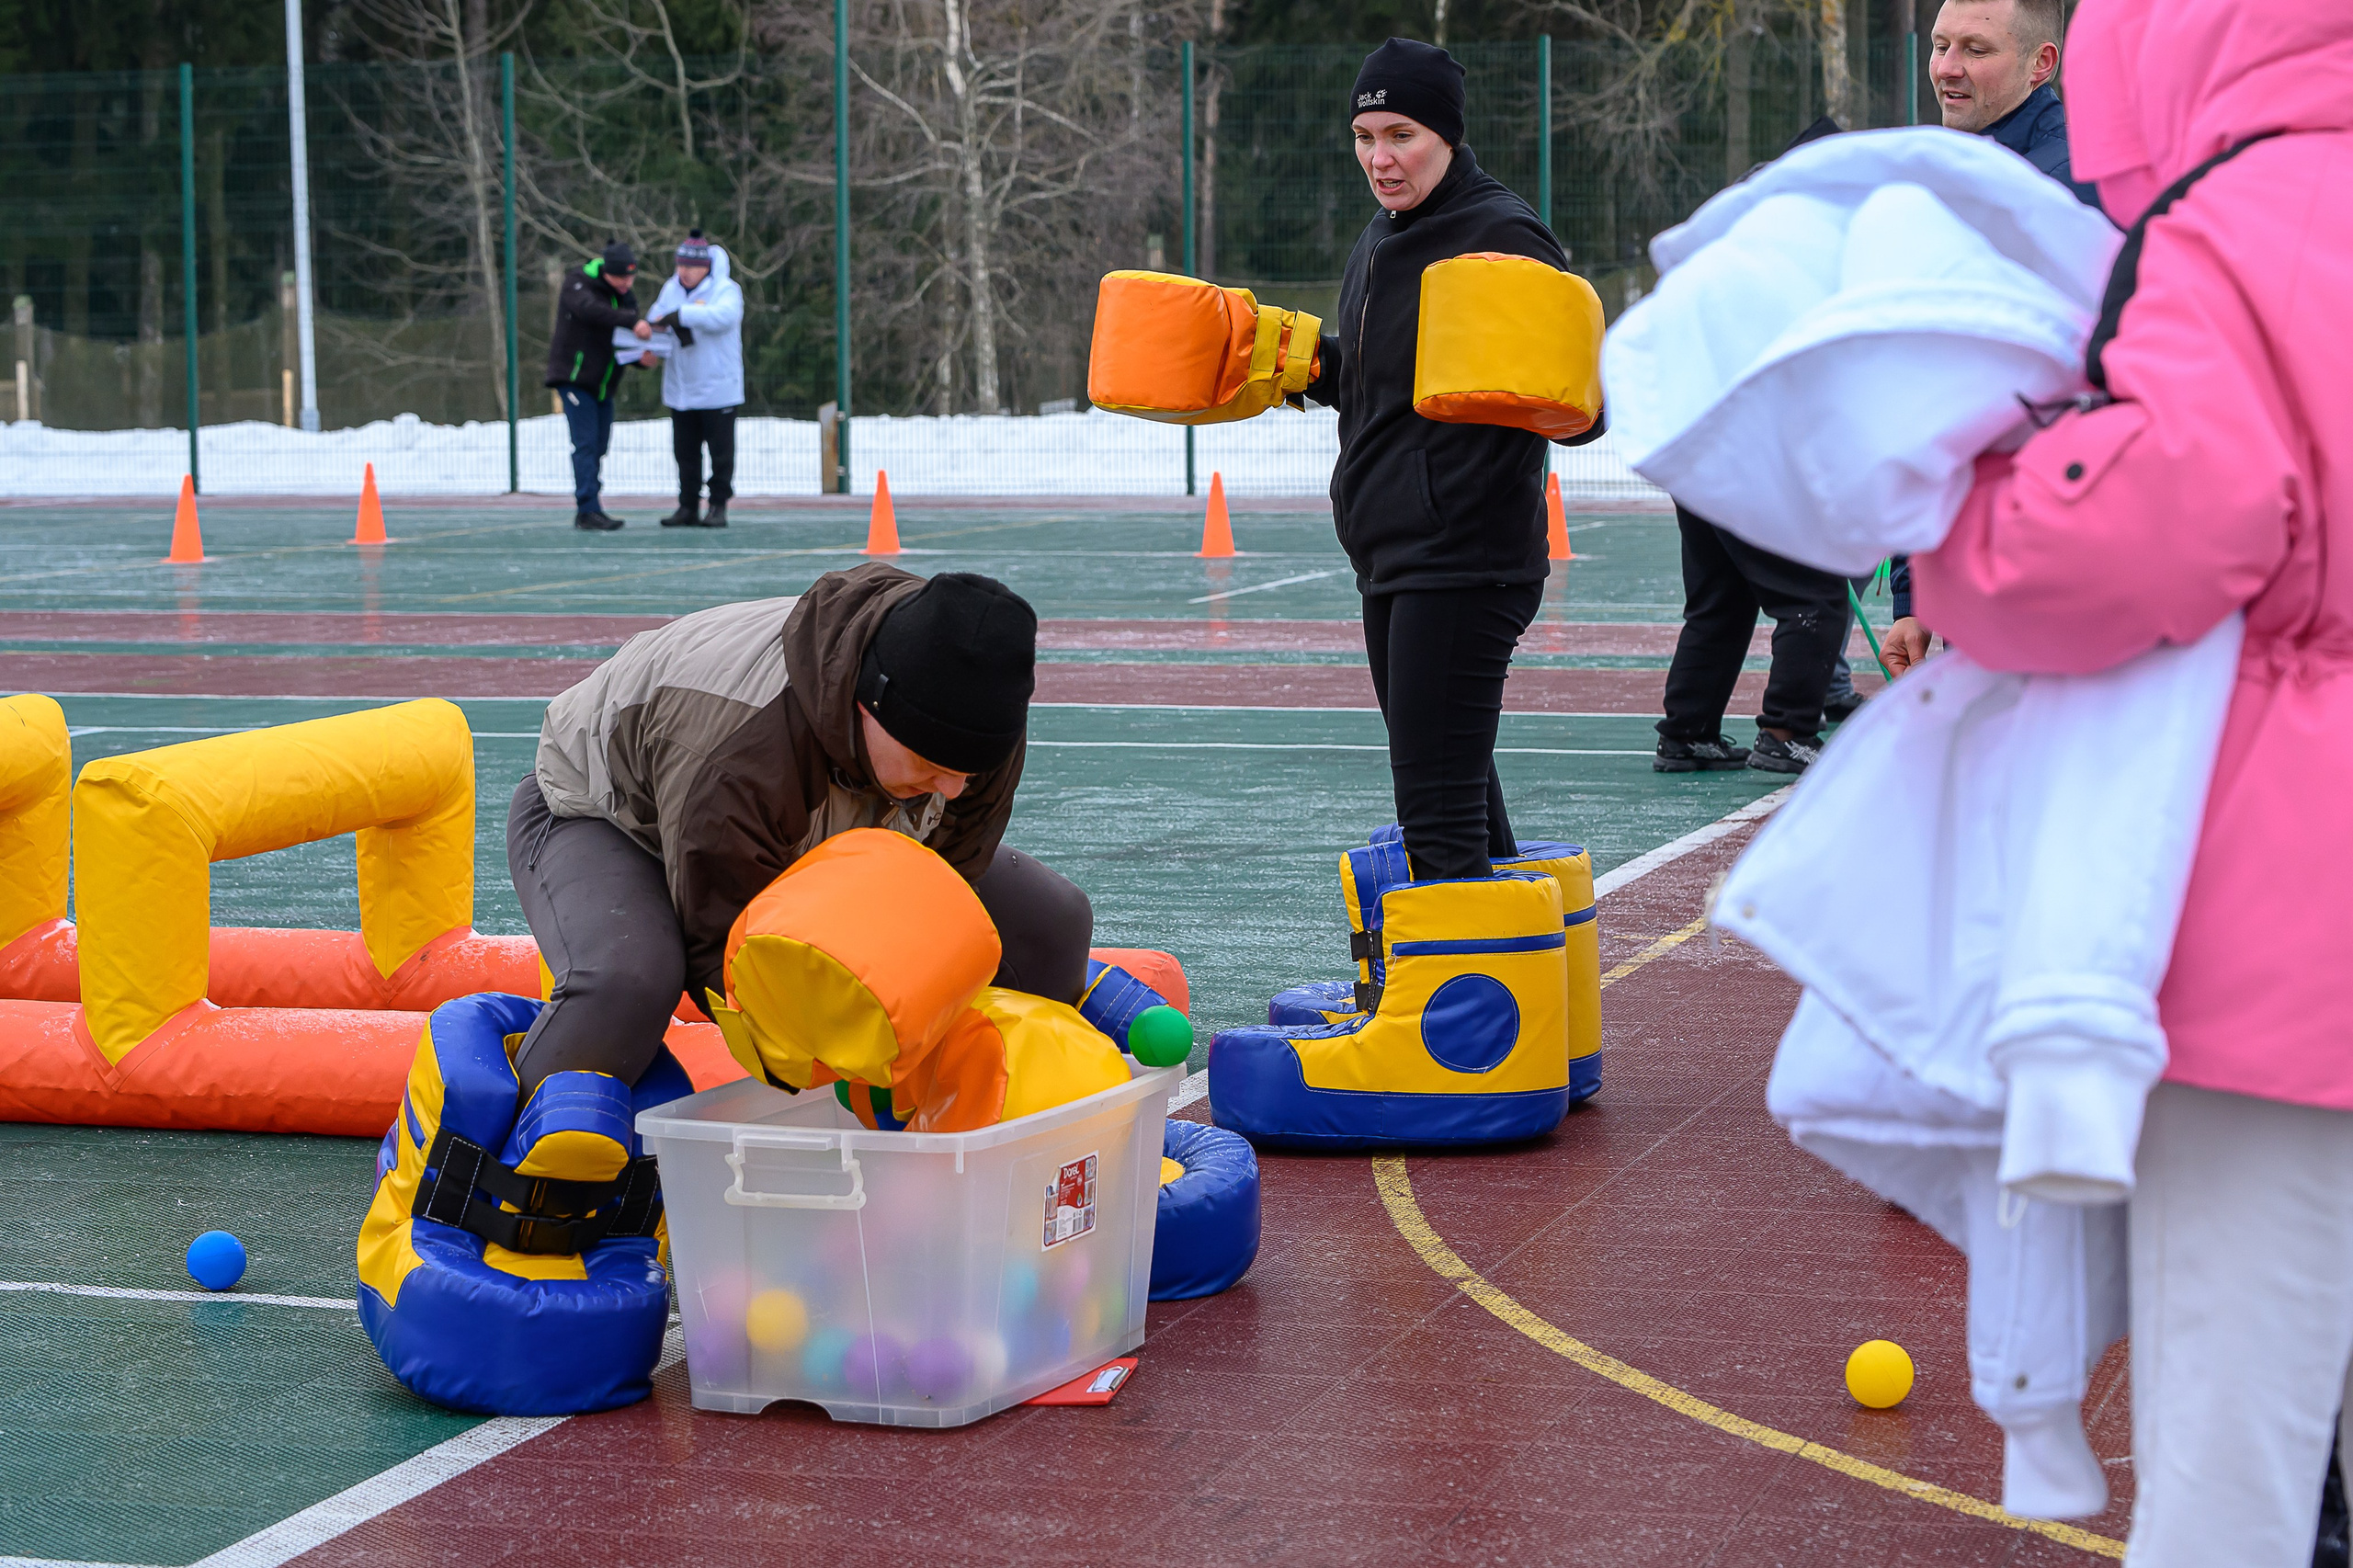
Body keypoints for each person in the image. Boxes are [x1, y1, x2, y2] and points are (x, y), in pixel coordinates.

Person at [1911, 1, 2352, 1561]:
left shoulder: (2243, 217)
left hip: (2293, 942)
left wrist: (1952, 523)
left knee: (2238, 1435)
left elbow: (2148, 523)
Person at [506, 563, 1089, 1096]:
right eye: (932, 769)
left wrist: (921, 1003)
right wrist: (835, 1056)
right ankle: (499, 1175)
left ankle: (1011, 1132)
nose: (956, 790)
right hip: (608, 814)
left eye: (969, 773)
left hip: (808, 827)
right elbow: (726, 955)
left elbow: (948, 886)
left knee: (1052, 922)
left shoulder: (975, 713)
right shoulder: (743, 752)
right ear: (870, 707)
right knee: (628, 981)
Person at [1300, 38, 1603, 880]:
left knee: (1434, 804)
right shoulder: (1383, 235)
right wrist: (1311, 366)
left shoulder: (1499, 232)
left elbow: (1584, 406)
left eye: (1401, 135)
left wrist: (1537, 394)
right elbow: (1392, 382)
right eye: (1364, 137)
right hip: (1392, 554)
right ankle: (1519, 995)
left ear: (1445, 134)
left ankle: (1461, 1012)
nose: (1380, 158)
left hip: (1465, 559)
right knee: (1455, 791)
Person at [1883, 0, 2101, 675]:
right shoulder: (1953, 176)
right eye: (1941, 44)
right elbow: (1933, 397)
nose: (1947, 68)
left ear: (2043, 63)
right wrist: (1919, 591)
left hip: (2060, 568)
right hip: (1984, 566)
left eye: (1976, 50)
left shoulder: (2073, 192)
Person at [546, 241, 651, 532]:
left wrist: (642, 358)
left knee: (599, 446)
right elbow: (591, 311)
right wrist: (633, 322)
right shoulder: (578, 284)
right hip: (574, 380)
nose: (627, 283)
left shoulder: (625, 297)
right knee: (586, 444)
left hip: (604, 385)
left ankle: (592, 504)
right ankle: (587, 509)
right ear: (607, 272)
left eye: (631, 278)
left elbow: (624, 342)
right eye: (621, 277)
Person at [646, 230, 745, 529]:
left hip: (718, 389)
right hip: (682, 390)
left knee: (721, 455)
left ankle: (718, 506)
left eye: (690, 266)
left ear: (706, 267)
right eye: (680, 265)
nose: (683, 272)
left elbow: (721, 318)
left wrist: (681, 315)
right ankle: (687, 505)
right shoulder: (671, 288)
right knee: (685, 454)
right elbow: (656, 315)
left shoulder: (726, 290)